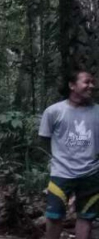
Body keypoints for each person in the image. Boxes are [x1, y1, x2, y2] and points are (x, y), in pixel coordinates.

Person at [39, 70, 99, 239]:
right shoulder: (54, 111)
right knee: (54, 216)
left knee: (86, 217)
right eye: (87, 82)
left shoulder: (98, 112)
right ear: (72, 85)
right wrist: (59, 158)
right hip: (61, 173)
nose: (92, 86)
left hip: (91, 173)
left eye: (93, 82)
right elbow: (44, 138)